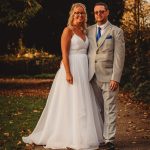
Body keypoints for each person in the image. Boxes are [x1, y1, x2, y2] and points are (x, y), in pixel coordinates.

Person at [22, 3, 104, 150]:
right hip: (72, 69)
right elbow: (64, 54)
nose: (80, 16)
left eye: (82, 13)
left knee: (83, 103)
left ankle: (83, 134)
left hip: (83, 70)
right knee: (71, 101)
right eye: (77, 13)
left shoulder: (85, 32)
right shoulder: (68, 31)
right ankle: (69, 135)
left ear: (85, 16)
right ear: (72, 15)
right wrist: (67, 72)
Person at [87, 2, 125, 150]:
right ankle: (100, 137)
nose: (99, 15)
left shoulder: (116, 31)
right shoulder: (88, 30)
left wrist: (116, 77)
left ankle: (109, 139)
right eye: (96, 12)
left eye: (101, 12)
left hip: (109, 76)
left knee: (110, 108)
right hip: (91, 77)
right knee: (97, 109)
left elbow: (119, 57)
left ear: (107, 12)